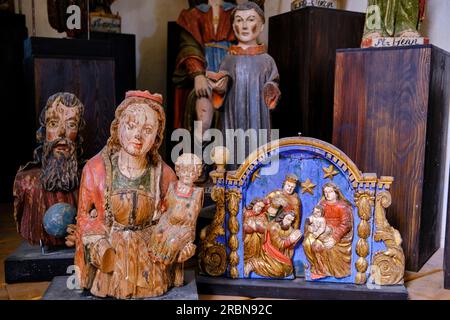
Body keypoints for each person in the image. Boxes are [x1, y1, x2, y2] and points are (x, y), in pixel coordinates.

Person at [74, 90, 186, 299]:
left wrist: (175, 240)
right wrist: (98, 243)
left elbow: (174, 220)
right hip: (111, 261)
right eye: (131, 126)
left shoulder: (164, 175)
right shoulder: (95, 170)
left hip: (149, 263)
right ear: (117, 128)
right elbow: (83, 217)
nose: (138, 135)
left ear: (156, 137)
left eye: (147, 129)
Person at [212, 1, 281, 169]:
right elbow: (219, 94)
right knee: (232, 148)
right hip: (232, 116)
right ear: (233, 24)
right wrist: (219, 89)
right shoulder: (228, 60)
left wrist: (271, 90)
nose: (244, 25)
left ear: (261, 25)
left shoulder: (267, 60)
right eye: (238, 20)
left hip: (258, 117)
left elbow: (274, 84)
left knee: (258, 150)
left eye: (250, 19)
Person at [13, 92, 84, 246]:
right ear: (44, 132)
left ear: (78, 132)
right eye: (53, 123)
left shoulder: (91, 178)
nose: (61, 133)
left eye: (71, 124)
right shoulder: (25, 182)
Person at [173, 0, 236, 134]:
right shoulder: (192, 15)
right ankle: (198, 152)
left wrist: (230, 77)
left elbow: (243, 46)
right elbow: (188, 47)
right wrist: (198, 74)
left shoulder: (237, 13)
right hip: (204, 73)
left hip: (230, 72)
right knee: (202, 115)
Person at [148, 153, 204, 287]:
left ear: (197, 174)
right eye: (184, 171)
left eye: (192, 172)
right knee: (157, 234)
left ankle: (167, 273)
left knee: (173, 242)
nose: (187, 175)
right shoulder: (172, 187)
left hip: (184, 228)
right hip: (167, 223)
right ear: (178, 171)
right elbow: (166, 207)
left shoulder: (197, 192)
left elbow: (191, 216)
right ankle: (159, 272)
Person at [303, 183, 354, 280]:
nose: (327, 194)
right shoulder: (322, 204)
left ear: (336, 192)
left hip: (336, 233)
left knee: (317, 246)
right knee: (307, 243)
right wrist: (310, 226)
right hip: (322, 230)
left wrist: (334, 238)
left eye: (330, 192)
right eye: (325, 192)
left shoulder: (342, 206)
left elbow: (346, 225)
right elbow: (315, 217)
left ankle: (322, 271)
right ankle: (315, 266)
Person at [244, 211, 302, 278]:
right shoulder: (274, 227)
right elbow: (278, 244)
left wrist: (296, 237)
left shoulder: (288, 227)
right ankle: (254, 264)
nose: (289, 222)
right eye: (288, 219)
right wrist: (290, 240)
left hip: (282, 255)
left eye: (291, 221)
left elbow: (291, 239)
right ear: (282, 217)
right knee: (280, 271)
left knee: (288, 270)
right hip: (271, 253)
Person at [243, 198, 268, 263]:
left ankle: (255, 257)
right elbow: (245, 227)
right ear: (253, 205)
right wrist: (253, 227)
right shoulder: (248, 213)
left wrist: (256, 227)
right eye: (258, 206)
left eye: (261, 207)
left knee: (256, 237)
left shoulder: (263, 216)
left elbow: (265, 228)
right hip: (248, 238)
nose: (259, 208)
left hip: (259, 240)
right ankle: (248, 257)